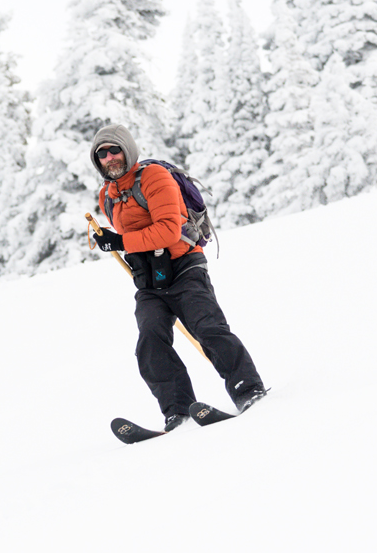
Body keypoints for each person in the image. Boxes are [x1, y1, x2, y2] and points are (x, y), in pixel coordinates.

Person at [87, 123, 267, 431]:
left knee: (207, 327)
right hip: (150, 280)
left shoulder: (155, 177)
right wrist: (113, 240)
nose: (109, 158)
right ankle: (177, 411)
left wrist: (120, 242)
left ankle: (247, 389)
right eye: (101, 154)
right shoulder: (108, 195)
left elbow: (168, 230)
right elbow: (134, 234)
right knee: (150, 342)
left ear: (127, 151)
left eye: (114, 150)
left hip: (184, 264)